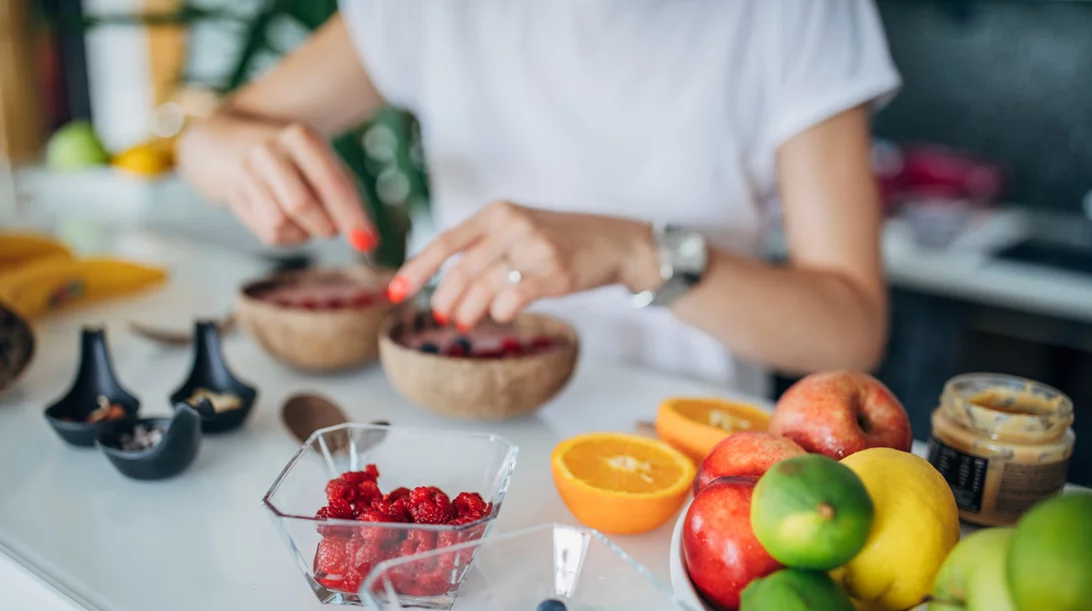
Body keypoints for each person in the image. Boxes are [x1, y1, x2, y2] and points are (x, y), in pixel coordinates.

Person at [178, 1, 900, 397]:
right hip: (458, 415)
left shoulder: (800, 13)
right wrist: (239, 156)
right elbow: (208, 140)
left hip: (680, 450)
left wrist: (634, 252)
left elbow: (848, 328)